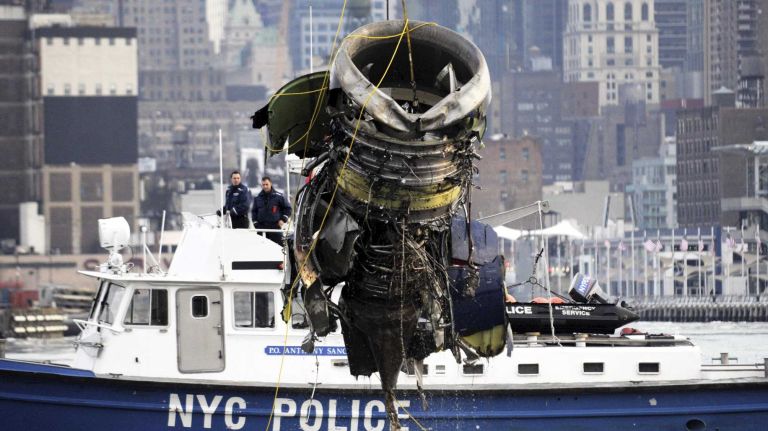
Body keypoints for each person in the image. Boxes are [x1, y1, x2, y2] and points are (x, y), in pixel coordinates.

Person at [252, 176, 292, 243]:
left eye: (267, 184)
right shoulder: (257, 198)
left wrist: (283, 220)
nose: (265, 186)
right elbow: (254, 212)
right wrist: (255, 224)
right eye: (263, 185)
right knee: (260, 250)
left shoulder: (279, 196)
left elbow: (288, 209)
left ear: (270, 183)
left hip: (275, 229)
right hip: (261, 229)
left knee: (280, 249)